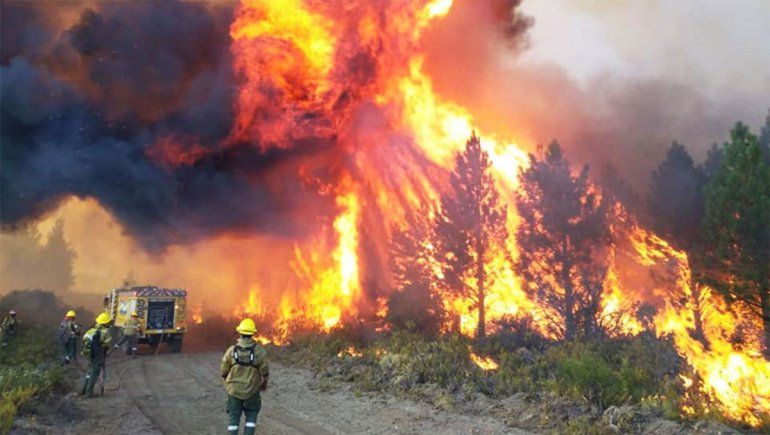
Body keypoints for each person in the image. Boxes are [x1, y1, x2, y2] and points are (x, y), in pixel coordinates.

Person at [220, 318, 269, 435]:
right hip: (252, 391)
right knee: (251, 415)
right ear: (252, 333)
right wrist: (264, 383)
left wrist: (227, 381)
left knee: (234, 418)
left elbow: (223, 371)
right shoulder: (259, 351)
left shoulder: (231, 351)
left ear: (240, 333)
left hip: (234, 391)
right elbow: (265, 372)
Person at [81, 312, 112, 397]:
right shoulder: (106, 331)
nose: (109, 323)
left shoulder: (92, 329)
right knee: (94, 372)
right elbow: (107, 344)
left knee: (90, 371)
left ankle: (83, 390)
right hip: (97, 353)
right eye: (108, 322)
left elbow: (84, 339)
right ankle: (89, 393)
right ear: (105, 323)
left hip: (88, 353)